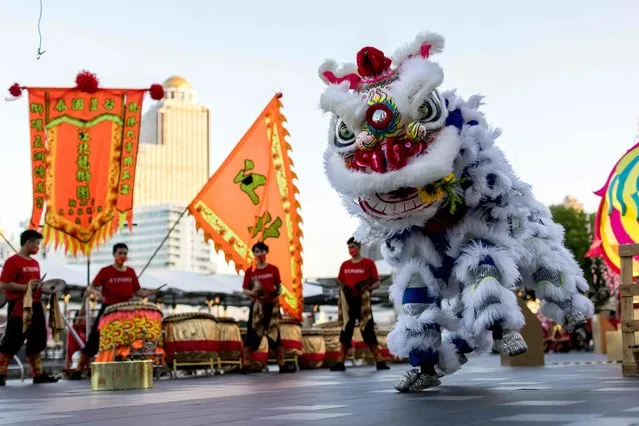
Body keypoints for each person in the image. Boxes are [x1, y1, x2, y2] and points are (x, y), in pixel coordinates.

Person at [69, 243, 156, 379]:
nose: (123, 256)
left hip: (127, 310)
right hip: (108, 311)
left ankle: (125, 366)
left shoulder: (131, 272)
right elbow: (90, 287)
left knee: (129, 339)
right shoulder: (105, 271)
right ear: (114, 255)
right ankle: (79, 368)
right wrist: (96, 292)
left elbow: (138, 291)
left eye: (125, 253)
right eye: (120, 253)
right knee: (95, 338)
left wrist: (148, 293)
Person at [0, 229, 59, 385]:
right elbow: (4, 284)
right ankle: (1, 372)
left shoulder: (34, 263)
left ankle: (37, 373)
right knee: (12, 339)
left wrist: (47, 289)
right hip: (19, 305)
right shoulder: (12, 262)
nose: (38, 247)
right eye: (36, 243)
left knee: (38, 339)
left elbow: (35, 286)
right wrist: (26, 287)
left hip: (35, 304)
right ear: (28, 242)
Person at [330, 237, 390, 372]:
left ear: (359, 247)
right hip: (348, 302)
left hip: (363, 302)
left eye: (353, 247)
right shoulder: (345, 265)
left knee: (368, 331)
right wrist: (342, 286)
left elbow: (377, 281)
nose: (351, 250)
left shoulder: (368, 263)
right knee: (345, 331)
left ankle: (379, 360)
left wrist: (368, 288)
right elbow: (340, 280)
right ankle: (341, 362)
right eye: (349, 247)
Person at [242, 242, 294, 374]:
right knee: (252, 336)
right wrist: (253, 293)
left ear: (266, 252)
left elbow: (279, 286)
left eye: (262, 251)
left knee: (275, 336)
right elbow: (244, 289)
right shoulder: (250, 271)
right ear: (254, 254)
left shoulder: (273, 269)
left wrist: (278, 293)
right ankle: (245, 365)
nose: (259, 254)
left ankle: (282, 365)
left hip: (272, 306)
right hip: (257, 308)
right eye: (257, 251)